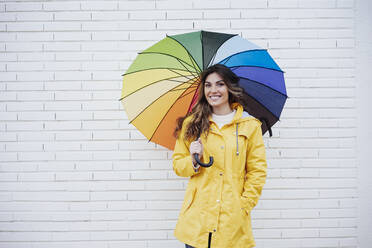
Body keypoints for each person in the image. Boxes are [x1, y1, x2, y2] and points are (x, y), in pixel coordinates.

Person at [172, 64, 268, 248]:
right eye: (208, 85)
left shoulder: (250, 125)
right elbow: (178, 166)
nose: (213, 90)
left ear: (229, 88)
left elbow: (257, 171)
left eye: (219, 84)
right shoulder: (193, 124)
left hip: (231, 223)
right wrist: (192, 159)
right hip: (197, 222)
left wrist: (243, 206)